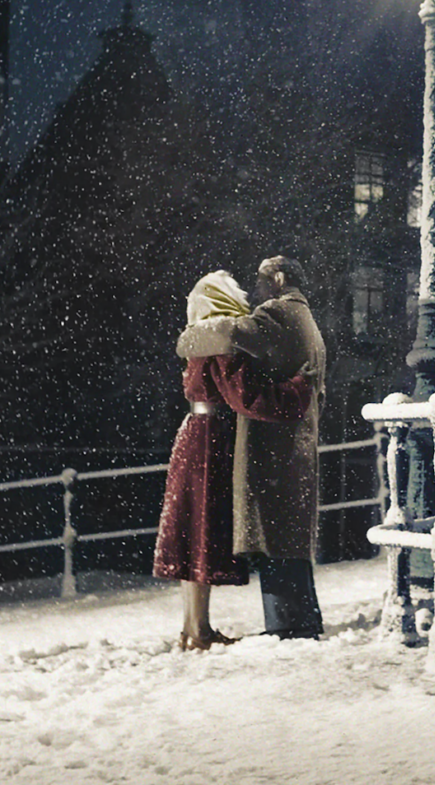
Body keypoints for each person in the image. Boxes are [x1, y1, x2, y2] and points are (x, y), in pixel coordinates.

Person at [154, 269, 315, 651]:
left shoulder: (198, 339)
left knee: (192, 535)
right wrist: (298, 390)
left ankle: (193, 627)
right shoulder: (221, 342)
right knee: (204, 533)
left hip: (192, 432)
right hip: (214, 440)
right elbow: (246, 396)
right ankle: (200, 631)